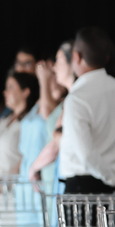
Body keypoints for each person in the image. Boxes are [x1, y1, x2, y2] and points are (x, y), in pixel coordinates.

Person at [58, 27, 115, 195]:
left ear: (76, 56)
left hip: (83, 189)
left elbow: (86, 154)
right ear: (107, 57)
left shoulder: (77, 97)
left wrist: (114, 178)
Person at [28, 41, 75, 193]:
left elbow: (58, 141)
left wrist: (34, 167)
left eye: (58, 61)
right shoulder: (69, 99)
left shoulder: (73, 99)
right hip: (53, 170)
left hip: (62, 170)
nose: (54, 68)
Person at [0, 71, 39, 176]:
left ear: (25, 92)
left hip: (14, 182)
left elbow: (27, 155)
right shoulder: (3, 119)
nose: (5, 92)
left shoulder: (29, 122)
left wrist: (9, 180)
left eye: (10, 87)